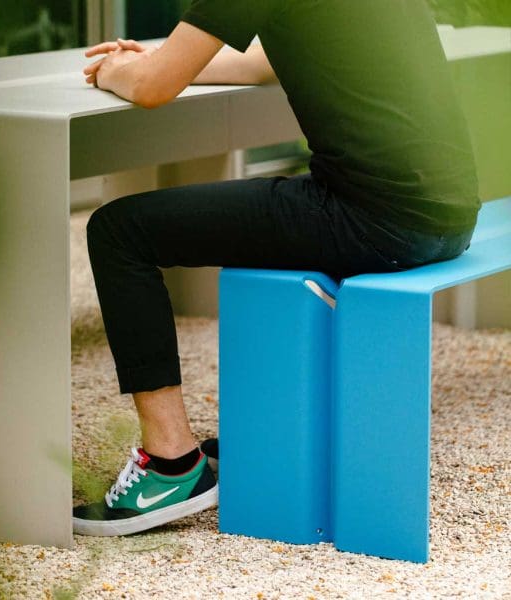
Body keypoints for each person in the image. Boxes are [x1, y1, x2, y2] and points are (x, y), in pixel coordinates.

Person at [72, 0, 480, 536]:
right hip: (449, 212)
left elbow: (153, 90)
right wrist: (162, 59)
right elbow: (263, 60)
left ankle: (171, 463)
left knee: (118, 231)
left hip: (375, 219)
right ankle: (231, 441)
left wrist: (123, 70)